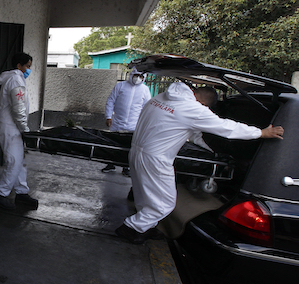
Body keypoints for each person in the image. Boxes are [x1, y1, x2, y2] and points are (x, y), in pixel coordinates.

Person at [115, 82, 285, 244]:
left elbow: (193, 132)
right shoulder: (194, 109)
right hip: (157, 159)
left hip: (137, 151)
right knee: (165, 203)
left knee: (145, 194)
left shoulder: (160, 98)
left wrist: (210, 149)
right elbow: (227, 127)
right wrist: (261, 133)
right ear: (203, 104)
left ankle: (146, 226)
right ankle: (132, 227)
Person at [0, 52, 39, 210]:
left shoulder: (15, 79)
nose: (28, 70)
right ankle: (0, 194)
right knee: (14, 161)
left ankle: (21, 192)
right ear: (19, 66)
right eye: (27, 66)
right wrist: (25, 129)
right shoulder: (16, 80)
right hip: (10, 127)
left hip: (13, 127)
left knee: (20, 161)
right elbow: (18, 109)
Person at [101, 67, 151, 176]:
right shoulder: (120, 86)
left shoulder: (145, 90)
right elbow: (111, 101)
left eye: (141, 76)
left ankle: (126, 167)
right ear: (132, 74)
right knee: (113, 143)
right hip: (117, 121)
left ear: (144, 78)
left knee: (129, 146)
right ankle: (110, 164)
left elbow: (146, 107)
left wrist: (143, 123)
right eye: (136, 75)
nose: (138, 78)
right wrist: (108, 117)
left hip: (134, 124)